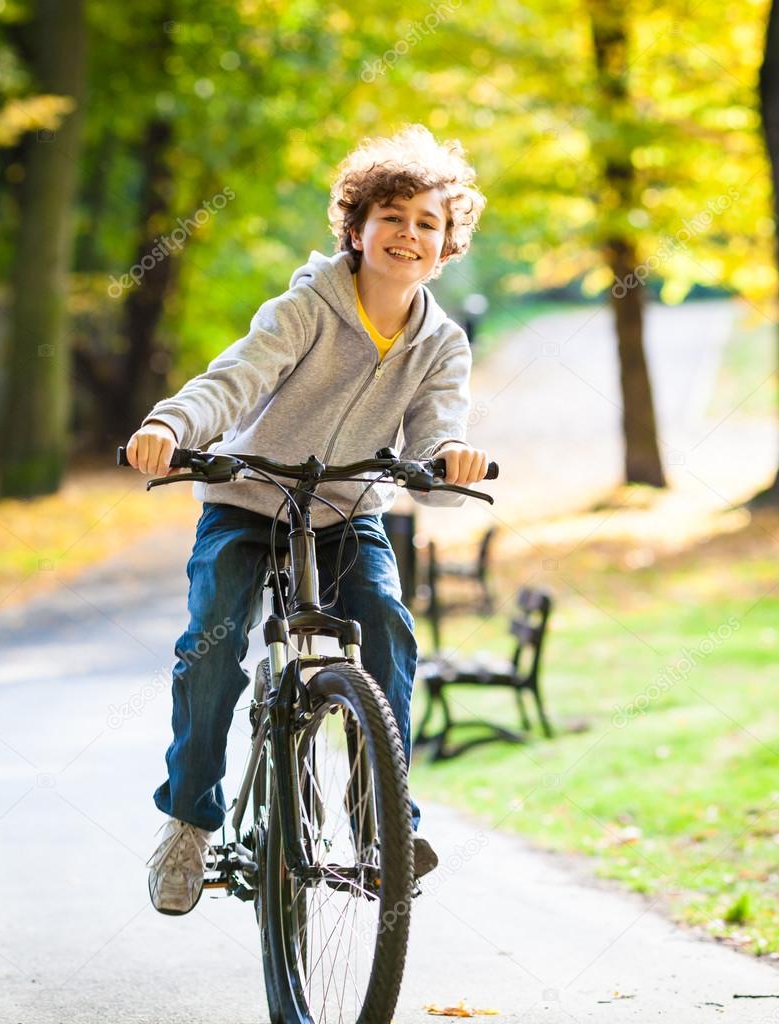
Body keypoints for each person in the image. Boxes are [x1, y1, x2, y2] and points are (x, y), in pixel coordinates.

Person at [126, 124, 488, 916]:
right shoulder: (307, 306)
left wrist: (452, 459)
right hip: (248, 500)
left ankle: (378, 814)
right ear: (355, 229)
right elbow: (236, 379)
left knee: (386, 624)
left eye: (429, 223)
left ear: (446, 247)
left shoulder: (440, 344)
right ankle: (188, 821)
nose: (409, 233)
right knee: (213, 643)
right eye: (391, 216)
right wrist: (172, 426)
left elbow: (437, 438)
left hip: (348, 512)